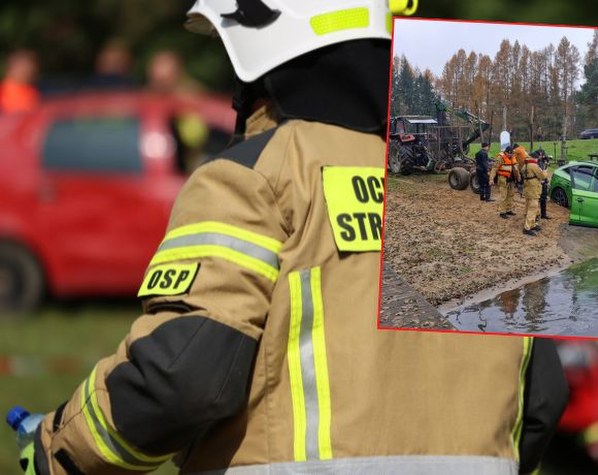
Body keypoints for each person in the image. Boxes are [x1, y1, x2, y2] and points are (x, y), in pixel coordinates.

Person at [22, 1, 568, 474]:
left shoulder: (252, 177)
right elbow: (542, 398)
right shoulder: (437, 197)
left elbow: (182, 379)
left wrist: (56, 449)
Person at [0, 49, 39, 114]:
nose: (28, 73)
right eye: (24, 68)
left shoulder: (32, 92)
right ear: (12, 67)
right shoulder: (2, 91)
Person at [519, 147, 547, 236]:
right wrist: (545, 171)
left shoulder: (525, 165)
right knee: (533, 208)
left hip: (527, 189)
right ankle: (527, 228)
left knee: (528, 206)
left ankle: (532, 224)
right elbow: (542, 176)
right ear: (535, 158)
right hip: (533, 189)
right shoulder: (534, 165)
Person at [490, 145, 520, 218]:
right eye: (509, 153)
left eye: (511, 153)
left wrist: (518, 176)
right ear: (506, 152)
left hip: (512, 180)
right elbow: (494, 168)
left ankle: (509, 209)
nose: (510, 155)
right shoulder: (500, 158)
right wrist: (491, 179)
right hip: (503, 180)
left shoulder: (513, 158)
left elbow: (516, 168)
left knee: (511, 195)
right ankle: (502, 212)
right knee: (503, 196)